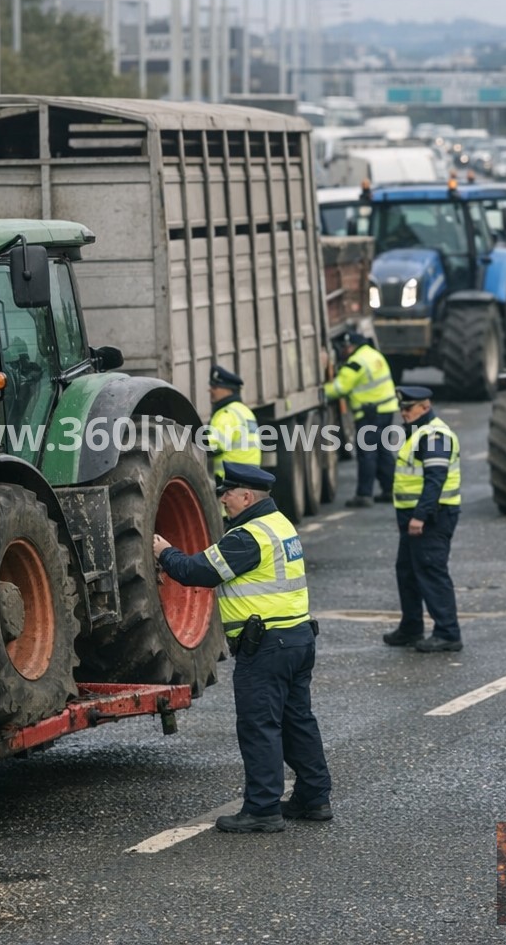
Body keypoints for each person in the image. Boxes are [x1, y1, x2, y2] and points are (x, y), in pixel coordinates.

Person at [152, 462, 332, 833]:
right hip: (297, 639)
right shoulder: (280, 525)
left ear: (247, 497)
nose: (223, 500)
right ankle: (314, 798)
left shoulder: (248, 537)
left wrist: (165, 552)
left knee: (260, 726)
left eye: (228, 494)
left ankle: (262, 810)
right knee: (297, 721)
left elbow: (196, 572)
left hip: (266, 647)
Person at [383, 385, 463, 653]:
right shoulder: (418, 432)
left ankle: (448, 632)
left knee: (431, 571)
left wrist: (420, 516)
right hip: (416, 517)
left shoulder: (434, 436)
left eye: (408, 409)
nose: (403, 414)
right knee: (406, 571)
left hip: (432, 517)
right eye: (402, 409)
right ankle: (411, 627)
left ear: (425, 407)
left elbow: (435, 480)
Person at [323, 331, 397, 507]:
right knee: (383, 451)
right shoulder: (374, 355)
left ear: (351, 346)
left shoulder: (356, 362)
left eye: (345, 347)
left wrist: (319, 392)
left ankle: (364, 494)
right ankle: (390, 490)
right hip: (387, 409)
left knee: (367, 454)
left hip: (370, 413)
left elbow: (339, 388)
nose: (344, 351)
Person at [207, 365, 262, 481]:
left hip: (232, 479)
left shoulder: (227, 414)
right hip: (248, 477)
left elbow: (215, 445)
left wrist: (188, 445)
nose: (210, 390)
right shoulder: (245, 411)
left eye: (215, 386)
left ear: (228, 390)